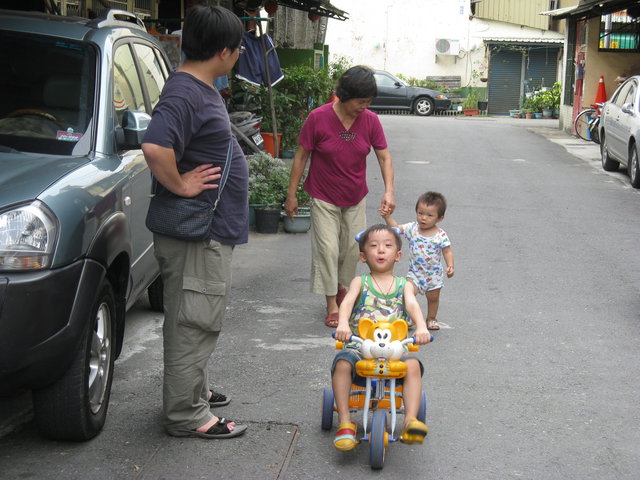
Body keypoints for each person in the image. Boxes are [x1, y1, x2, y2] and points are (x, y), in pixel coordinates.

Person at [141, 5, 248, 439]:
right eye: (239, 48)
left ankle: (194, 390)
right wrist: (182, 184)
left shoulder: (195, 87)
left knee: (193, 314)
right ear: (224, 52)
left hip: (205, 231)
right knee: (194, 319)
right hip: (197, 233)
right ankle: (188, 414)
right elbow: (155, 147)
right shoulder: (186, 92)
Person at [284, 66, 396, 328]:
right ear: (344, 96)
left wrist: (389, 190)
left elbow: (384, 155)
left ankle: (341, 285)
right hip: (324, 195)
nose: (364, 106)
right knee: (328, 250)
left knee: (351, 249)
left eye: (368, 102)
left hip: (355, 196)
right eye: (361, 101)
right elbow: (301, 156)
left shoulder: (370, 120)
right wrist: (292, 195)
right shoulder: (318, 118)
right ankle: (332, 303)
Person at [332, 224, 431, 451]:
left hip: (395, 349)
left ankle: (410, 421)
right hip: (361, 347)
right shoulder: (360, 282)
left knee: (413, 365)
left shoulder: (404, 285)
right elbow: (346, 304)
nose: (380, 250)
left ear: (397, 255)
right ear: (363, 256)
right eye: (374, 246)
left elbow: (412, 305)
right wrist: (343, 324)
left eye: (387, 246)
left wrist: (421, 327)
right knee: (343, 363)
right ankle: (346, 422)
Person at [382, 191, 454, 331]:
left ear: (440, 218)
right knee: (407, 293)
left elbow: (447, 251)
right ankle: (409, 317)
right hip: (415, 273)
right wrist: (387, 216)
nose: (423, 218)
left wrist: (450, 265)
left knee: (433, 299)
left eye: (429, 215)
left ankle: (431, 318)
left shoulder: (441, 235)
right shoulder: (413, 228)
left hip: (433, 275)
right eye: (420, 213)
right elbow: (396, 229)